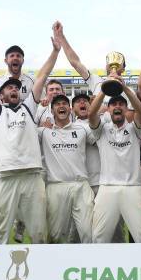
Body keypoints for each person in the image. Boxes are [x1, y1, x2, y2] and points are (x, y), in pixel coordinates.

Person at [0, 21, 57, 244]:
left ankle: (41, 277)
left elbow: (42, 76)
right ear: (0, 96)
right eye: (8, 88)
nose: (13, 89)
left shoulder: (29, 108)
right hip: (5, 177)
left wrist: (56, 51)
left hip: (32, 175)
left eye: (16, 88)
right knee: (0, 235)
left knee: (39, 234)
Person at [88, 75, 141, 243]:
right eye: (114, 104)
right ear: (108, 110)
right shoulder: (101, 130)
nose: (117, 106)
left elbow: (140, 111)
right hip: (107, 188)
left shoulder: (134, 129)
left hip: (133, 187)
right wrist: (105, 88)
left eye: (121, 104)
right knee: (98, 237)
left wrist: (123, 88)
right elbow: (91, 113)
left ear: (125, 109)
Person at [38, 94, 95, 242]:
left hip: (81, 185)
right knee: (55, 236)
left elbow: (101, 136)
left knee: (88, 234)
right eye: (57, 104)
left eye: (64, 104)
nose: (61, 106)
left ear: (70, 109)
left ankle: (88, 264)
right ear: (52, 111)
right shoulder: (44, 132)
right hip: (56, 186)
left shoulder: (83, 129)